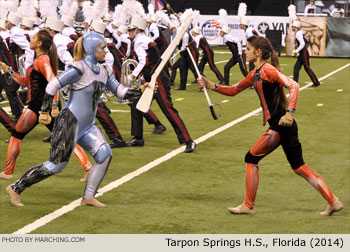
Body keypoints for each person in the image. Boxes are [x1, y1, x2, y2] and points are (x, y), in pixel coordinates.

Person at [197, 35, 343, 216]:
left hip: (281, 125)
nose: (245, 52)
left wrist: (290, 113)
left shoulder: (268, 70)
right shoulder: (255, 73)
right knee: (299, 167)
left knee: (251, 158)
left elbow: (294, 85)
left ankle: (248, 206)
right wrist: (212, 85)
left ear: (258, 52)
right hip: (283, 126)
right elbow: (234, 90)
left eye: (248, 49)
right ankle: (333, 201)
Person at [5, 32, 142, 207]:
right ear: (91, 50)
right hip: (69, 122)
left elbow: (121, 92)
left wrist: (140, 90)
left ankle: (88, 197)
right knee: (56, 165)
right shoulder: (79, 68)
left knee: (105, 154)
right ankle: (16, 187)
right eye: (102, 48)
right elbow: (53, 85)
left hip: (88, 125)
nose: (106, 51)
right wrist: (45, 110)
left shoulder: (105, 70)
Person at [0, 29, 92, 181]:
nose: (31, 39)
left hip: (38, 106)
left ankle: (8, 172)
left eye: (34, 37)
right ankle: (88, 167)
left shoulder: (42, 60)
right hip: (42, 107)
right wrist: (8, 70)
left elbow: (53, 82)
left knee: (16, 136)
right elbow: (25, 82)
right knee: (65, 138)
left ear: (39, 43)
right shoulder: (39, 59)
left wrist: (53, 106)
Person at [127, 16, 196, 152]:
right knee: (135, 105)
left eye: (130, 30)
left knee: (167, 108)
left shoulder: (140, 41)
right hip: (151, 78)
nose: (128, 33)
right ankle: (138, 138)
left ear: (136, 30)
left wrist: (132, 76)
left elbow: (142, 62)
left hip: (156, 79)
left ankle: (188, 140)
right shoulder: (144, 39)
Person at [291, 20, 320, 87]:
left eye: (292, 26)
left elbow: (303, 43)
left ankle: (316, 82)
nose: (292, 28)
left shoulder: (298, 33)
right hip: (302, 53)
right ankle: (295, 83)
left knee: (307, 68)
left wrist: (296, 51)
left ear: (295, 26)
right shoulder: (298, 32)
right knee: (296, 67)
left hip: (303, 53)